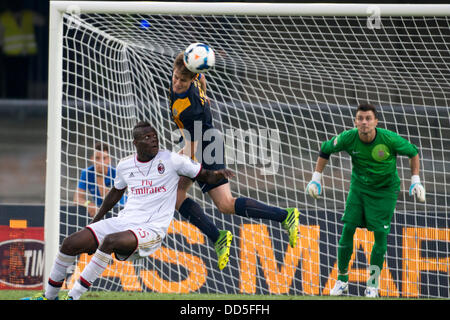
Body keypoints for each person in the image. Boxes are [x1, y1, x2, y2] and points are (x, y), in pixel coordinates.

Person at [22, 121, 234, 300]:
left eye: (154, 136)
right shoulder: (124, 166)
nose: (153, 140)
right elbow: (114, 194)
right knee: (70, 243)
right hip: (124, 221)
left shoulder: (171, 160)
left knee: (110, 241)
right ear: (136, 142)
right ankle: (48, 297)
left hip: (151, 229)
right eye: (147, 137)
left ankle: (74, 295)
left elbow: (203, 175)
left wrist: (219, 174)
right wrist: (96, 220)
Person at [169, 51, 300, 271]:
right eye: (175, 77)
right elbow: (202, 77)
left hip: (206, 146)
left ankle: (285, 216)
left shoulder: (191, 107)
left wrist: (177, 160)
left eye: (183, 80)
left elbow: (194, 144)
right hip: (201, 141)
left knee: (225, 204)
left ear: (190, 80)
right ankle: (219, 236)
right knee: (178, 194)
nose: (178, 83)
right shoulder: (193, 80)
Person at [306, 103, 425, 298]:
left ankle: (372, 284)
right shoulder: (348, 137)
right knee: (347, 230)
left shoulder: (388, 138)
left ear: (375, 122)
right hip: (359, 188)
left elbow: (413, 152)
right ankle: (342, 280)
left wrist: (416, 181)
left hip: (385, 192)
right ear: (355, 121)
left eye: (368, 118)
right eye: (360, 118)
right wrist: (316, 179)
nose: (364, 122)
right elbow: (325, 149)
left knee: (380, 236)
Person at [73, 141, 126, 217]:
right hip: (100, 210)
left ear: (109, 160)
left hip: (119, 208)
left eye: (104, 158)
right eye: (97, 158)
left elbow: (108, 200)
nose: (101, 162)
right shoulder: (86, 173)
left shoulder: (116, 173)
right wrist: (88, 204)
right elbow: (76, 198)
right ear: (92, 159)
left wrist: (99, 176)